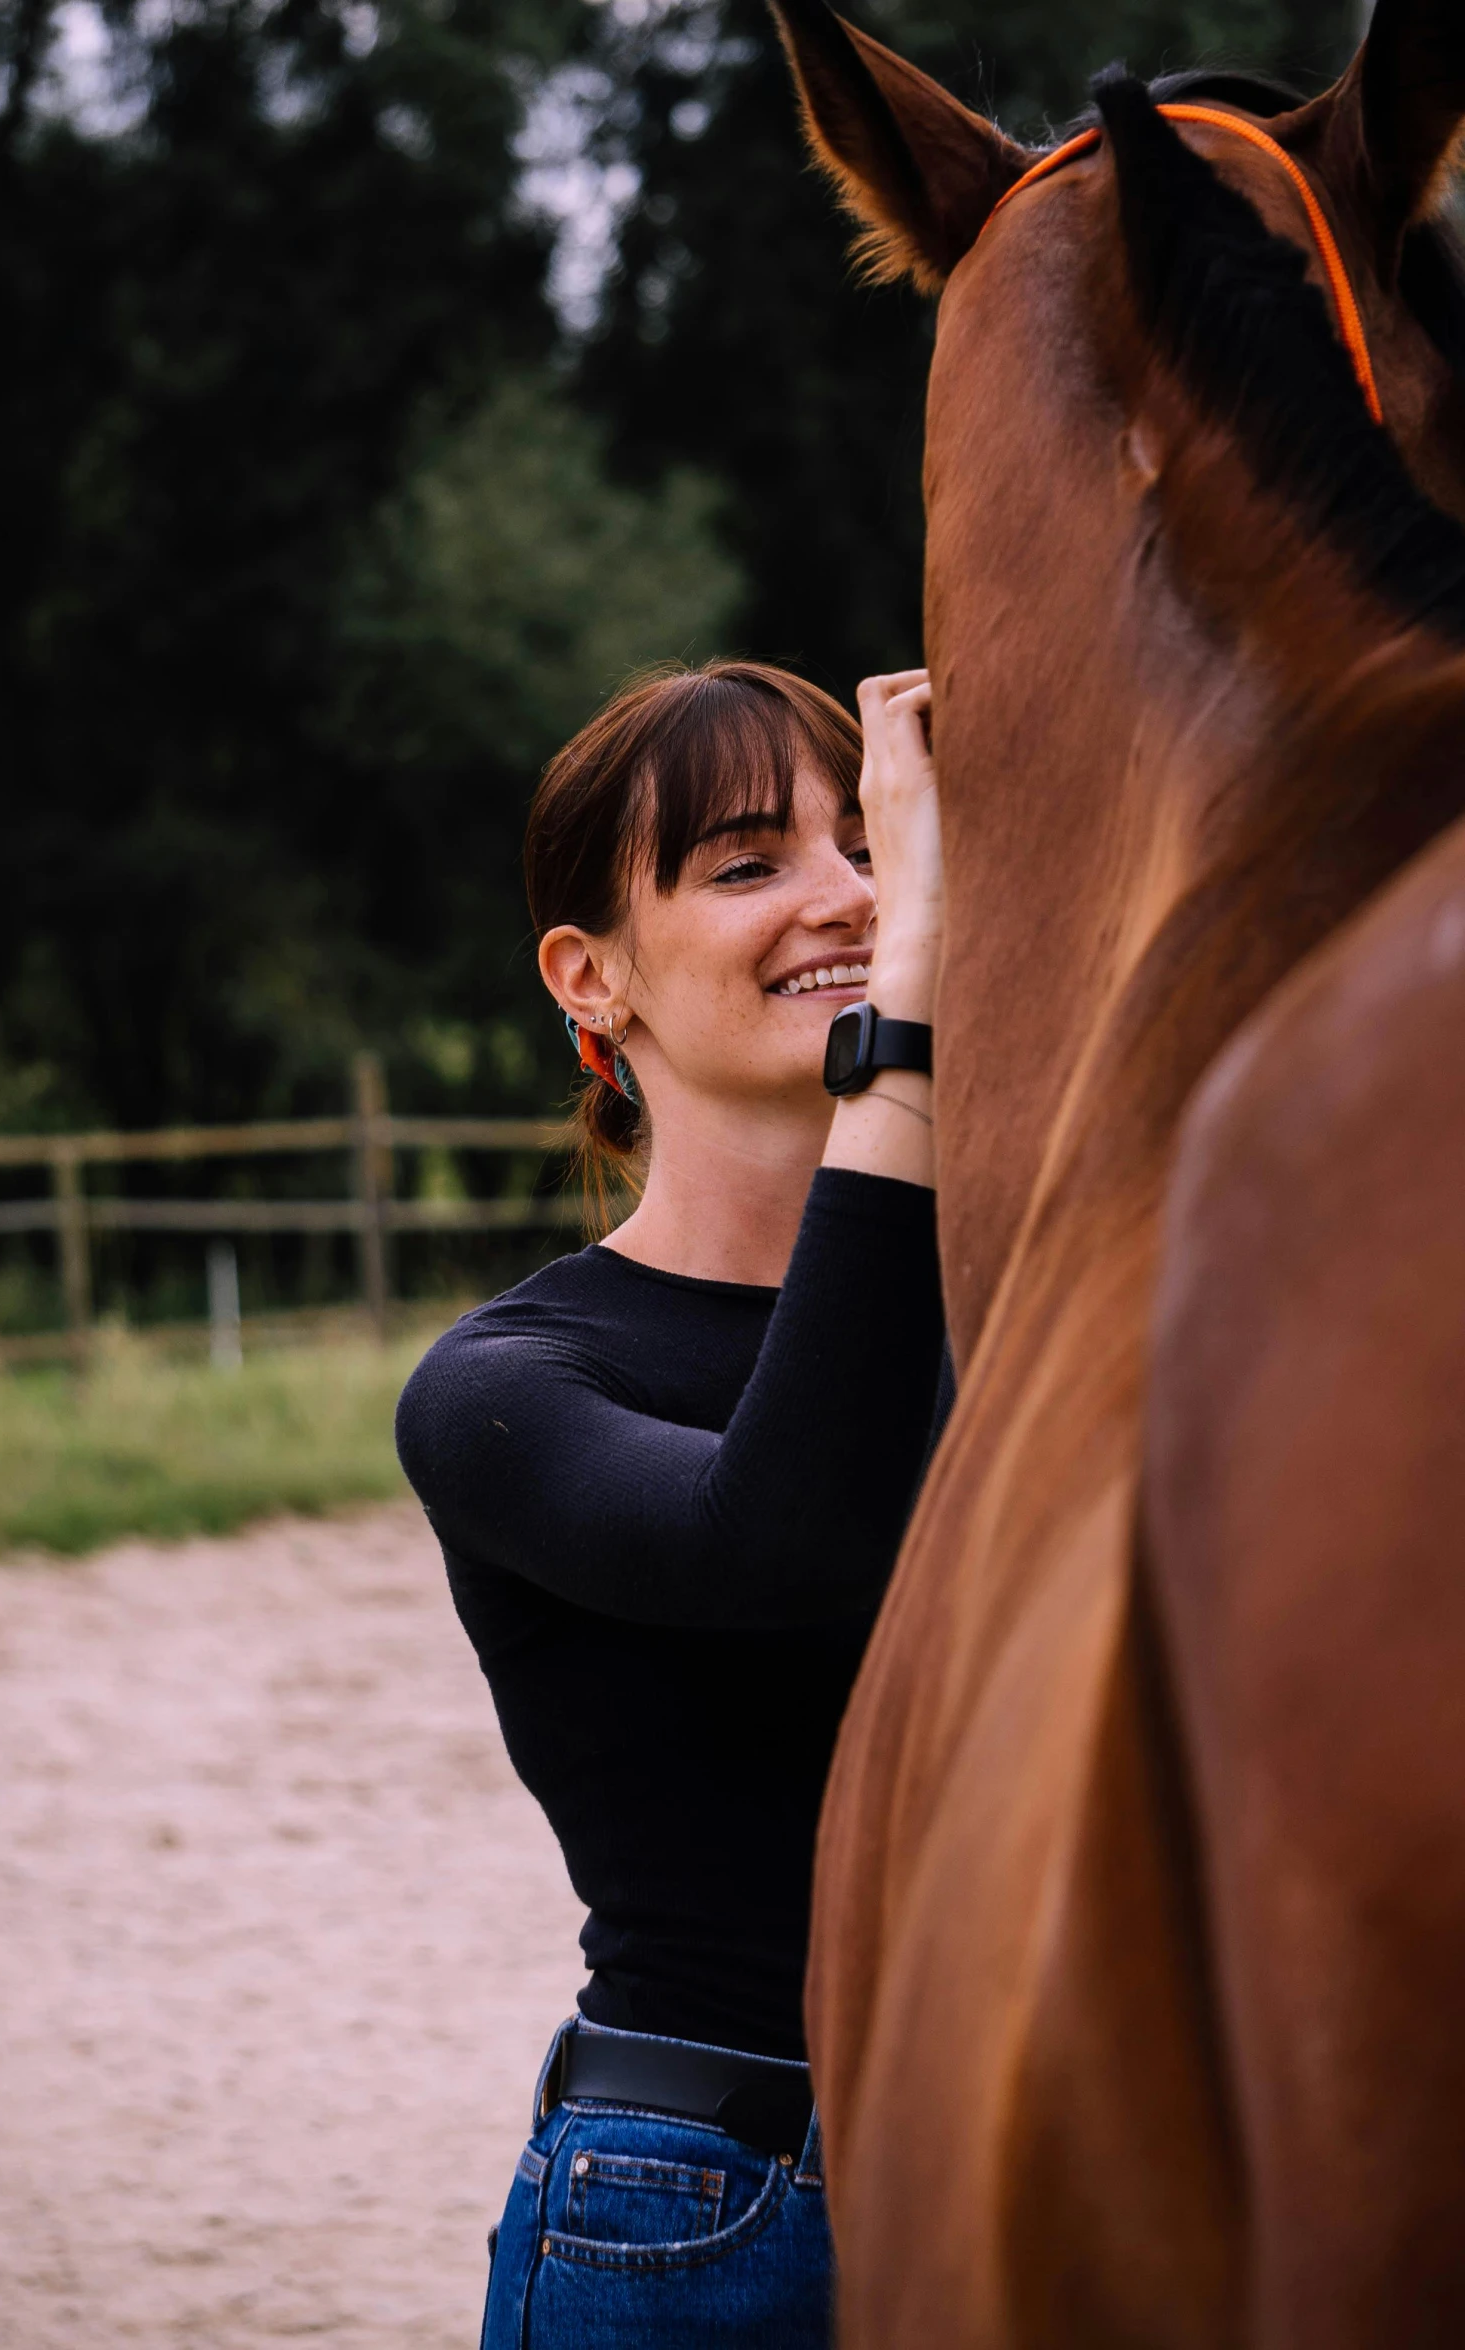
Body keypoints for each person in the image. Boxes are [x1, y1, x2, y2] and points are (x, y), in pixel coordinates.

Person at [396, 658, 950, 2348]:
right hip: (706, 2215)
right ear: (592, 975)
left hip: (1039, 2172)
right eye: (745, 862)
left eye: (867, 843)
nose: (848, 894)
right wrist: (910, 1017)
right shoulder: (508, 1383)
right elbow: (778, 1532)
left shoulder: (1023, 1316)